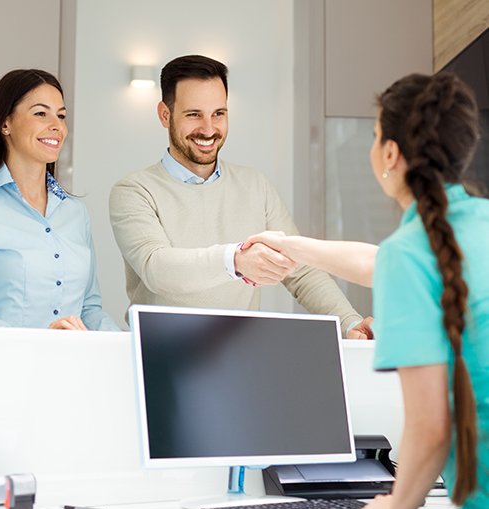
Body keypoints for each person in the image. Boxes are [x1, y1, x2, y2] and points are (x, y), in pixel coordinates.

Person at [245, 72, 489, 509]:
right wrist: (291, 244)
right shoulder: (470, 229)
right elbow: (377, 262)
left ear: (391, 154)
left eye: (376, 136)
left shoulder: (412, 253)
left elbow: (431, 426)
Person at [109, 54, 372, 338]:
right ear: (165, 115)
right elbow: (157, 268)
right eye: (194, 114)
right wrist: (234, 260)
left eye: (218, 113)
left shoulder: (255, 186)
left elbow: (301, 270)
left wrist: (349, 322)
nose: (209, 129)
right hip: (160, 355)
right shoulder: (134, 190)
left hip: (239, 354)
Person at [0, 69, 118, 331]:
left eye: (61, 115)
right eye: (41, 113)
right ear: (5, 123)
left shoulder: (76, 213)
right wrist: (40, 342)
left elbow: (89, 309)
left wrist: (127, 345)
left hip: (70, 367)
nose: (57, 126)